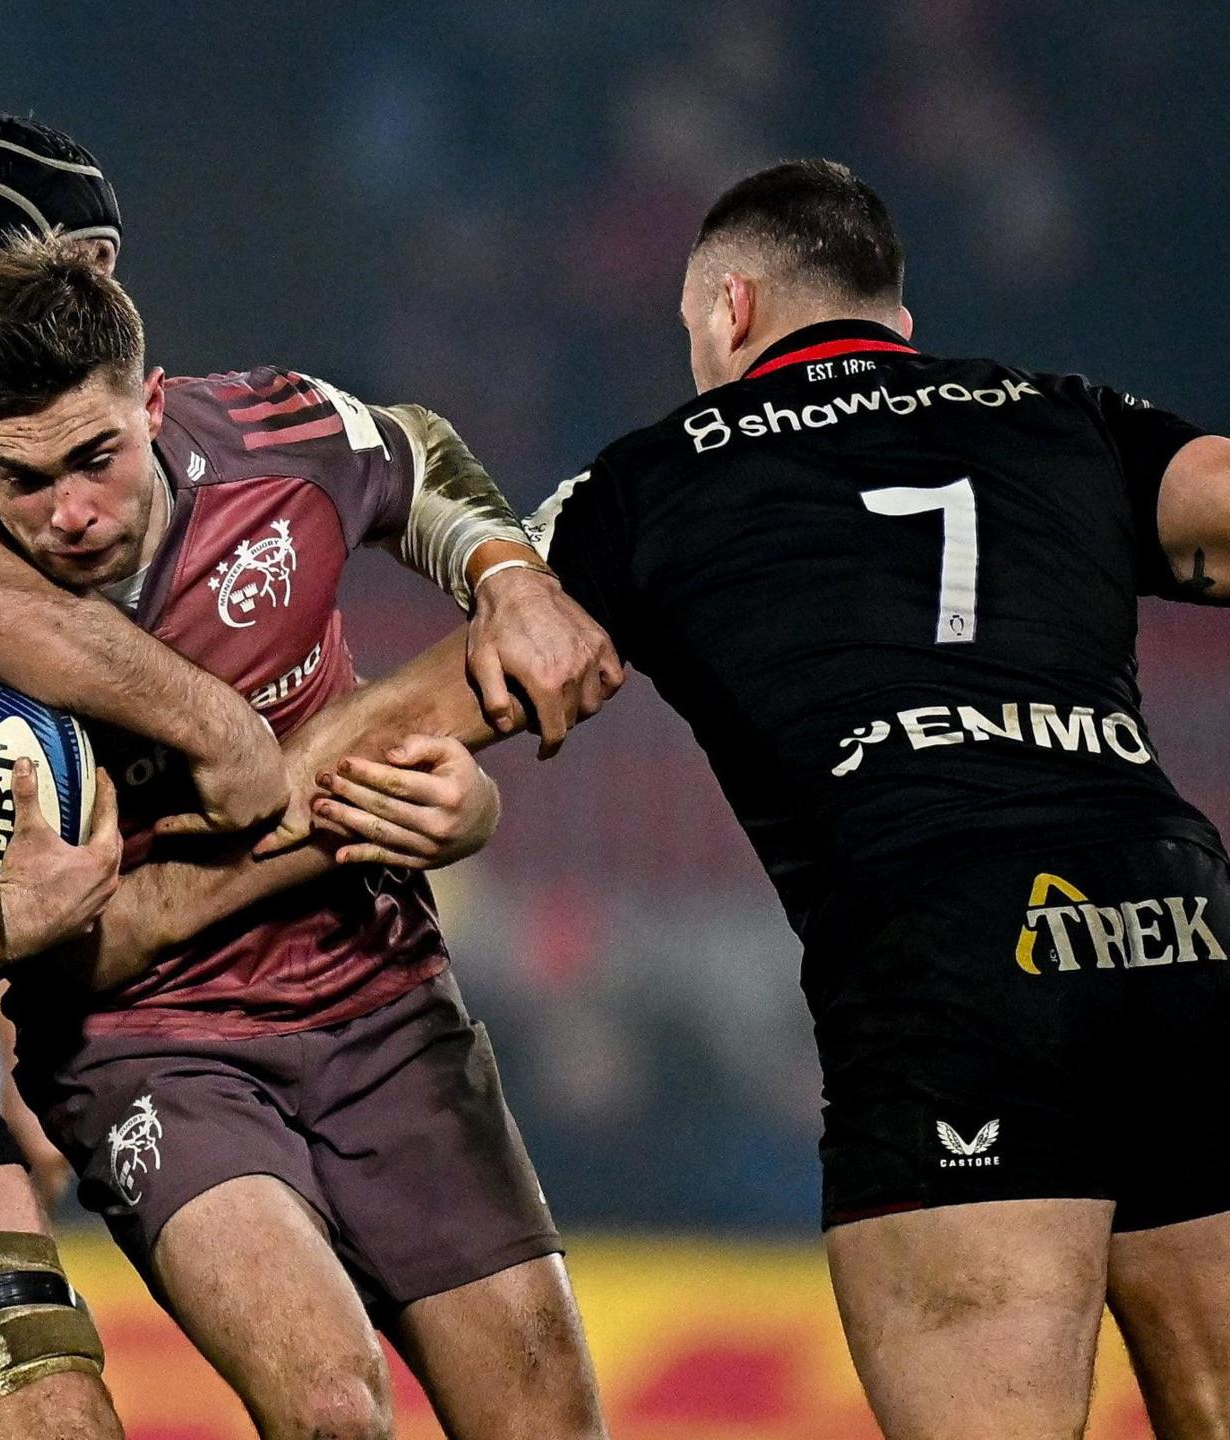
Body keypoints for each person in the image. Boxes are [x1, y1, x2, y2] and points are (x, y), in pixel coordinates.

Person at [338, 158, 1230, 1438]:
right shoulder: (1060, 413)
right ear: (898, 327)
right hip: (1176, 918)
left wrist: (230, 794)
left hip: (952, 949)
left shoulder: (652, 478)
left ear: (730, 309)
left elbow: (454, 698)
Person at [0, 230, 615, 1440]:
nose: (69, 513)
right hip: (143, 1047)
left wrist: (506, 574)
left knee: (546, 1417)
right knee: (334, 1408)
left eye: (96, 457)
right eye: (21, 479)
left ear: (152, 398)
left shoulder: (276, 441)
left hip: (380, 990)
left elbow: (416, 452)